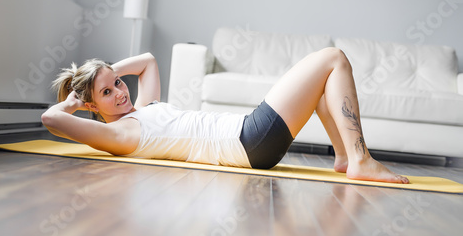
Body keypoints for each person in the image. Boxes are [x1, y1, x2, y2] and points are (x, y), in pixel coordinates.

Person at [41, 49, 409, 184]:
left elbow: (149, 61)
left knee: (323, 83)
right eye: (108, 93)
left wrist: (101, 74)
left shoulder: (141, 111)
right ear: (92, 106)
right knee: (334, 58)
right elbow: (51, 120)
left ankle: (345, 158)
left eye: (119, 83)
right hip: (249, 141)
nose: (121, 92)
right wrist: (77, 99)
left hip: (250, 138)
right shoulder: (120, 135)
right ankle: (361, 159)